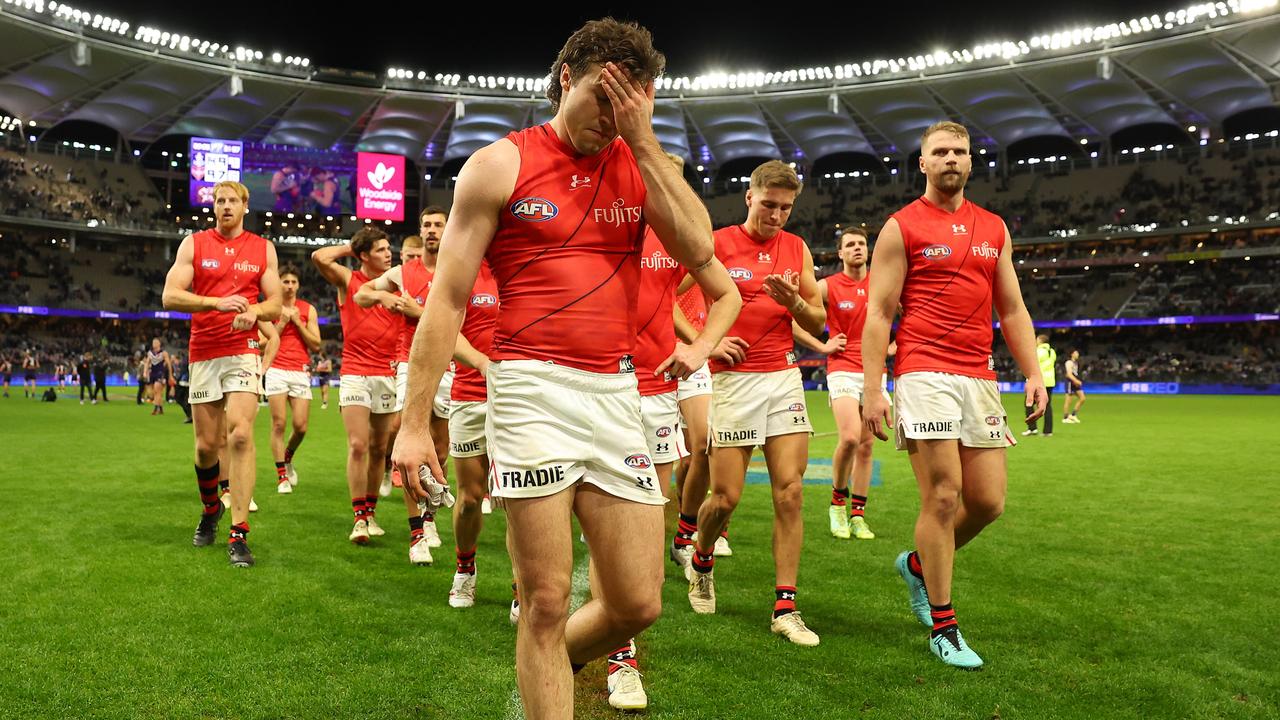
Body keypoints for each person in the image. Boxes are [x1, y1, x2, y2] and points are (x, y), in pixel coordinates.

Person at [391, 18, 740, 718]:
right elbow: (447, 301)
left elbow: (703, 257)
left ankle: (549, 660)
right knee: (545, 598)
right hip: (528, 391)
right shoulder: (499, 164)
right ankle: (544, 664)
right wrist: (411, 424)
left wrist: (642, 142)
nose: (609, 120)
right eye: (600, 100)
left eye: (628, 107)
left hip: (617, 391)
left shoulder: (639, 164)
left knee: (639, 601)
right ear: (564, 80)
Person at [861, 120, 1047, 669]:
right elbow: (879, 312)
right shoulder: (901, 227)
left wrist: (1033, 372)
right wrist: (874, 388)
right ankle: (944, 626)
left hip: (980, 377)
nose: (950, 159)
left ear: (971, 161)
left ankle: (918, 566)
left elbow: (1011, 308)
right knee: (943, 495)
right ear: (922, 163)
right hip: (923, 372)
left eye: (959, 152)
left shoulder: (994, 227)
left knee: (987, 503)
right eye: (939, 151)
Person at [684, 160, 824, 648]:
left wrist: (796, 305)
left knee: (790, 491)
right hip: (733, 383)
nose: (777, 216)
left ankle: (786, 606)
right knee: (725, 499)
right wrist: (706, 343)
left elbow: (818, 316)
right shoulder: (718, 244)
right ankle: (701, 557)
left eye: (786, 208)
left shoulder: (796, 248)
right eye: (769, 205)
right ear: (749, 197)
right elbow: (665, 299)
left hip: (782, 377)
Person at [162, 179, 282, 568]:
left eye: (232, 200)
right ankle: (211, 508)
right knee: (205, 447)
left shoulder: (263, 249)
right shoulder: (193, 244)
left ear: (245, 206)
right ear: (213, 206)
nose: (225, 205)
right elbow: (170, 296)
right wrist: (216, 301)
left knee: (242, 435)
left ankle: (240, 533)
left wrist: (254, 313)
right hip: (203, 352)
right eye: (219, 200)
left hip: (242, 352)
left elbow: (276, 303)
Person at [355, 229, 448, 563]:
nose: (433, 230)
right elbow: (360, 295)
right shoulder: (402, 274)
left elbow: (460, 318)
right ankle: (417, 533)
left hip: (451, 363)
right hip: (411, 361)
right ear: (422, 231)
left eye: (440, 224)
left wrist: (417, 310)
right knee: (408, 440)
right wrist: (383, 298)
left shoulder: (458, 265)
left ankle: (430, 515)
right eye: (428, 225)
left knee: (441, 447)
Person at [792, 227, 887, 540]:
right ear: (840, 253)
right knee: (848, 438)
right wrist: (822, 346)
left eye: (861, 244)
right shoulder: (827, 286)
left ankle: (858, 515)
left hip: (875, 370)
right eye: (850, 245)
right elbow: (793, 317)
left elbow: (910, 314)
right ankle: (837, 504)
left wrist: (896, 345)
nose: (857, 248)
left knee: (867, 444)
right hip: (843, 367)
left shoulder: (882, 283)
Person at [313, 228, 402, 545]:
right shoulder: (349, 280)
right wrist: (352, 247)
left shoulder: (398, 283)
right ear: (365, 256)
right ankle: (359, 519)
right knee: (358, 445)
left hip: (387, 373)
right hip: (354, 372)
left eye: (389, 247)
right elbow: (319, 257)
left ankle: (371, 513)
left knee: (380, 449)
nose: (388, 253)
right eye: (380, 249)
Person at [264, 264, 321, 494]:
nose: (289, 286)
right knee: (279, 424)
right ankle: (281, 477)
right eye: (285, 281)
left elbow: (316, 344)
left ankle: (287, 457)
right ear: (278, 283)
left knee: (301, 426)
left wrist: (297, 322)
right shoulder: (270, 309)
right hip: (276, 368)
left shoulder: (308, 309)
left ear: (298, 285)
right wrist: (282, 323)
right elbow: (261, 341)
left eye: (293, 282)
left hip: (300, 369)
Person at [1022, 334, 1055, 436]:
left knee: (1029, 403)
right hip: (1050, 381)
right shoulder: (1052, 352)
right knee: (1047, 405)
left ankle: (1032, 428)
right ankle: (1047, 431)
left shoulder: (1038, 351)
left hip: (1040, 381)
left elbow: (1032, 364)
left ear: (1040, 341)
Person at [146, 338, 172, 416]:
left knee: (157, 391)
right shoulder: (150, 353)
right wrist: (145, 371)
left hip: (161, 374)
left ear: (159, 344)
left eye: (156, 342)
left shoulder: (164, 353)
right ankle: (161, 409)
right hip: (153, 374)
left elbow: (169, 364)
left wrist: (170, 375)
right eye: (153, 342)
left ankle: (155, 409)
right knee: (156, 392)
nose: (154, 344)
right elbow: (147, 362)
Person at [1063, 350, 1085, 423]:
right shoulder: (1069, 362)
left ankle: (1073, 415)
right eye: (1076, 353)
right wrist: (1076, 381)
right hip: (1070, 382)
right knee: (1068, 400)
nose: (1077, 354)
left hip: (1075, 382)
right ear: (1072, 354)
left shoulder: (1075, 363)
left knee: (1082, 398)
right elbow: (1069, 374)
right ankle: (1065, 418)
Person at [172, 351, 192, 423]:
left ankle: (190, 415)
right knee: (180, 399)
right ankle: (190, 415)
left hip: (186, 382)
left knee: (183, 399)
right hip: (183, 381)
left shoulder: (186, 360)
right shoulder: (186, 359)